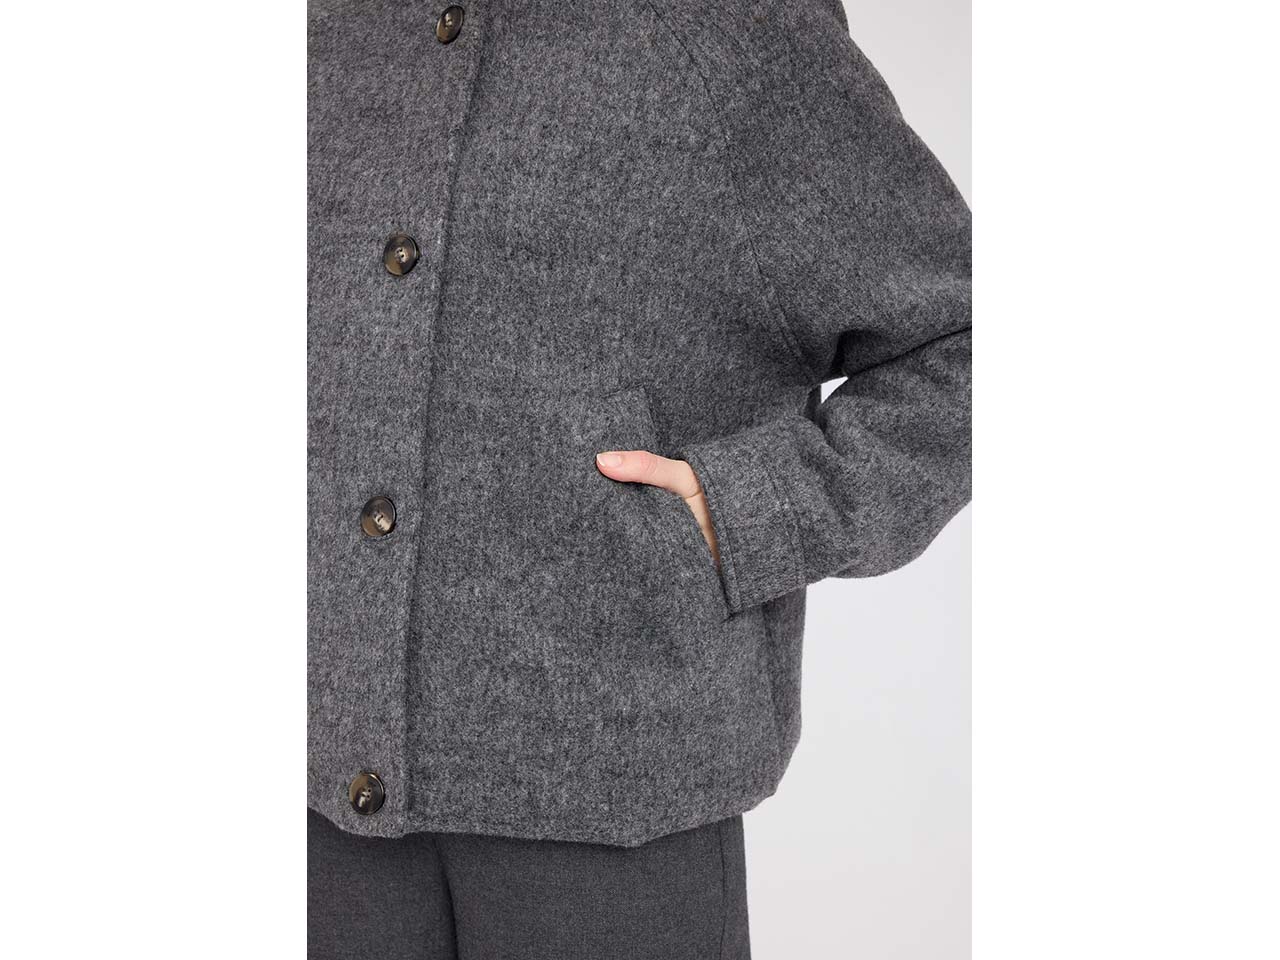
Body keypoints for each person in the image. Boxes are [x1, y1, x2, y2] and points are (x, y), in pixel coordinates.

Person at [308, 1, 971, 956]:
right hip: (316, 795)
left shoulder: (721, 29)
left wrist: (752, 510)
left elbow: (963, 337)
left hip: (612, 799)